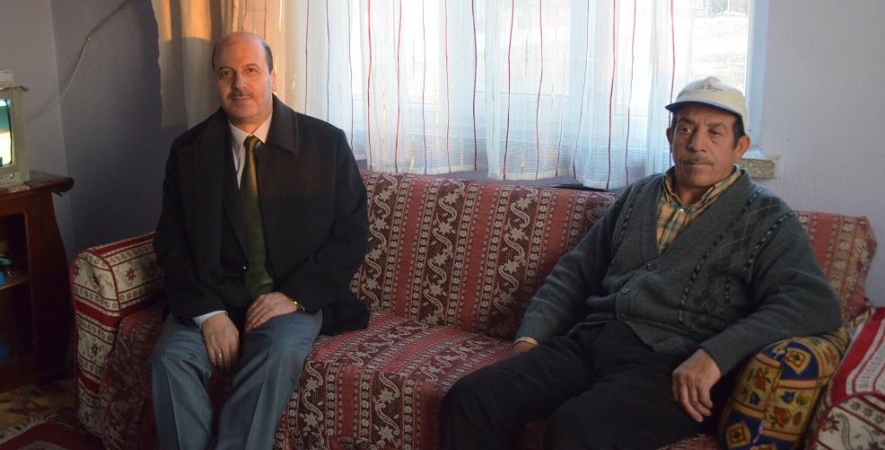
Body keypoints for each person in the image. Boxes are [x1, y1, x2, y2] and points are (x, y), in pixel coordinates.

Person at [439, 76, 842, 450]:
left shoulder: (767, 218)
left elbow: (813, 303)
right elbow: (575, 272)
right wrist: (531, 338)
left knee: (578, 429)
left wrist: (715, 355)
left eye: (715, 132)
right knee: (473, 398)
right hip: (591, 341)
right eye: (686, 129)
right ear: (670, 136)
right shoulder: (639, 196)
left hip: (673, 366)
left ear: (740, 146)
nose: (697, 144)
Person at [149, 32, 369, 450]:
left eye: (251, 70)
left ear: (272, 76)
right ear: (215, 82)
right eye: (226, 74)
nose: (239, 84)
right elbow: (171, 243)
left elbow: (351, 234)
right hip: (210, 297)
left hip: (290, 299)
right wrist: (209, 314)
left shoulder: (325, 144)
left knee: (275, 354)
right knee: (169, 359)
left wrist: (294, 296)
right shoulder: (188, 151)